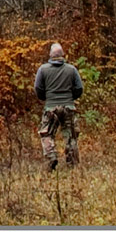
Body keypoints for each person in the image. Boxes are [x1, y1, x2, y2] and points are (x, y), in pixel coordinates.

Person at [34, 41, 83, 170]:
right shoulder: (71, 69)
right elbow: (79, 88)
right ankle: (72, 164)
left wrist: (46, 98)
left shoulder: (43, 69)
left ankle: (51, 156)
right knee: (71, 136)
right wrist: (71, 98)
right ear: (63, 55)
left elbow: (38, 88)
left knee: (46, 134)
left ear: (50, 55)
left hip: (51, 108)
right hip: (68, 107)